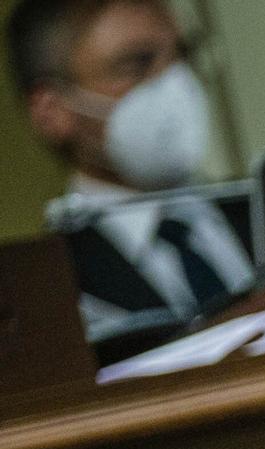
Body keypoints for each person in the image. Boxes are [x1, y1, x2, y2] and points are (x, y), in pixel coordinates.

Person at [6, 0, 252, 346]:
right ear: (53, 111)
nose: (176, 81)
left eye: (183, 54)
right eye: (138, 63)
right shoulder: (46, 291)